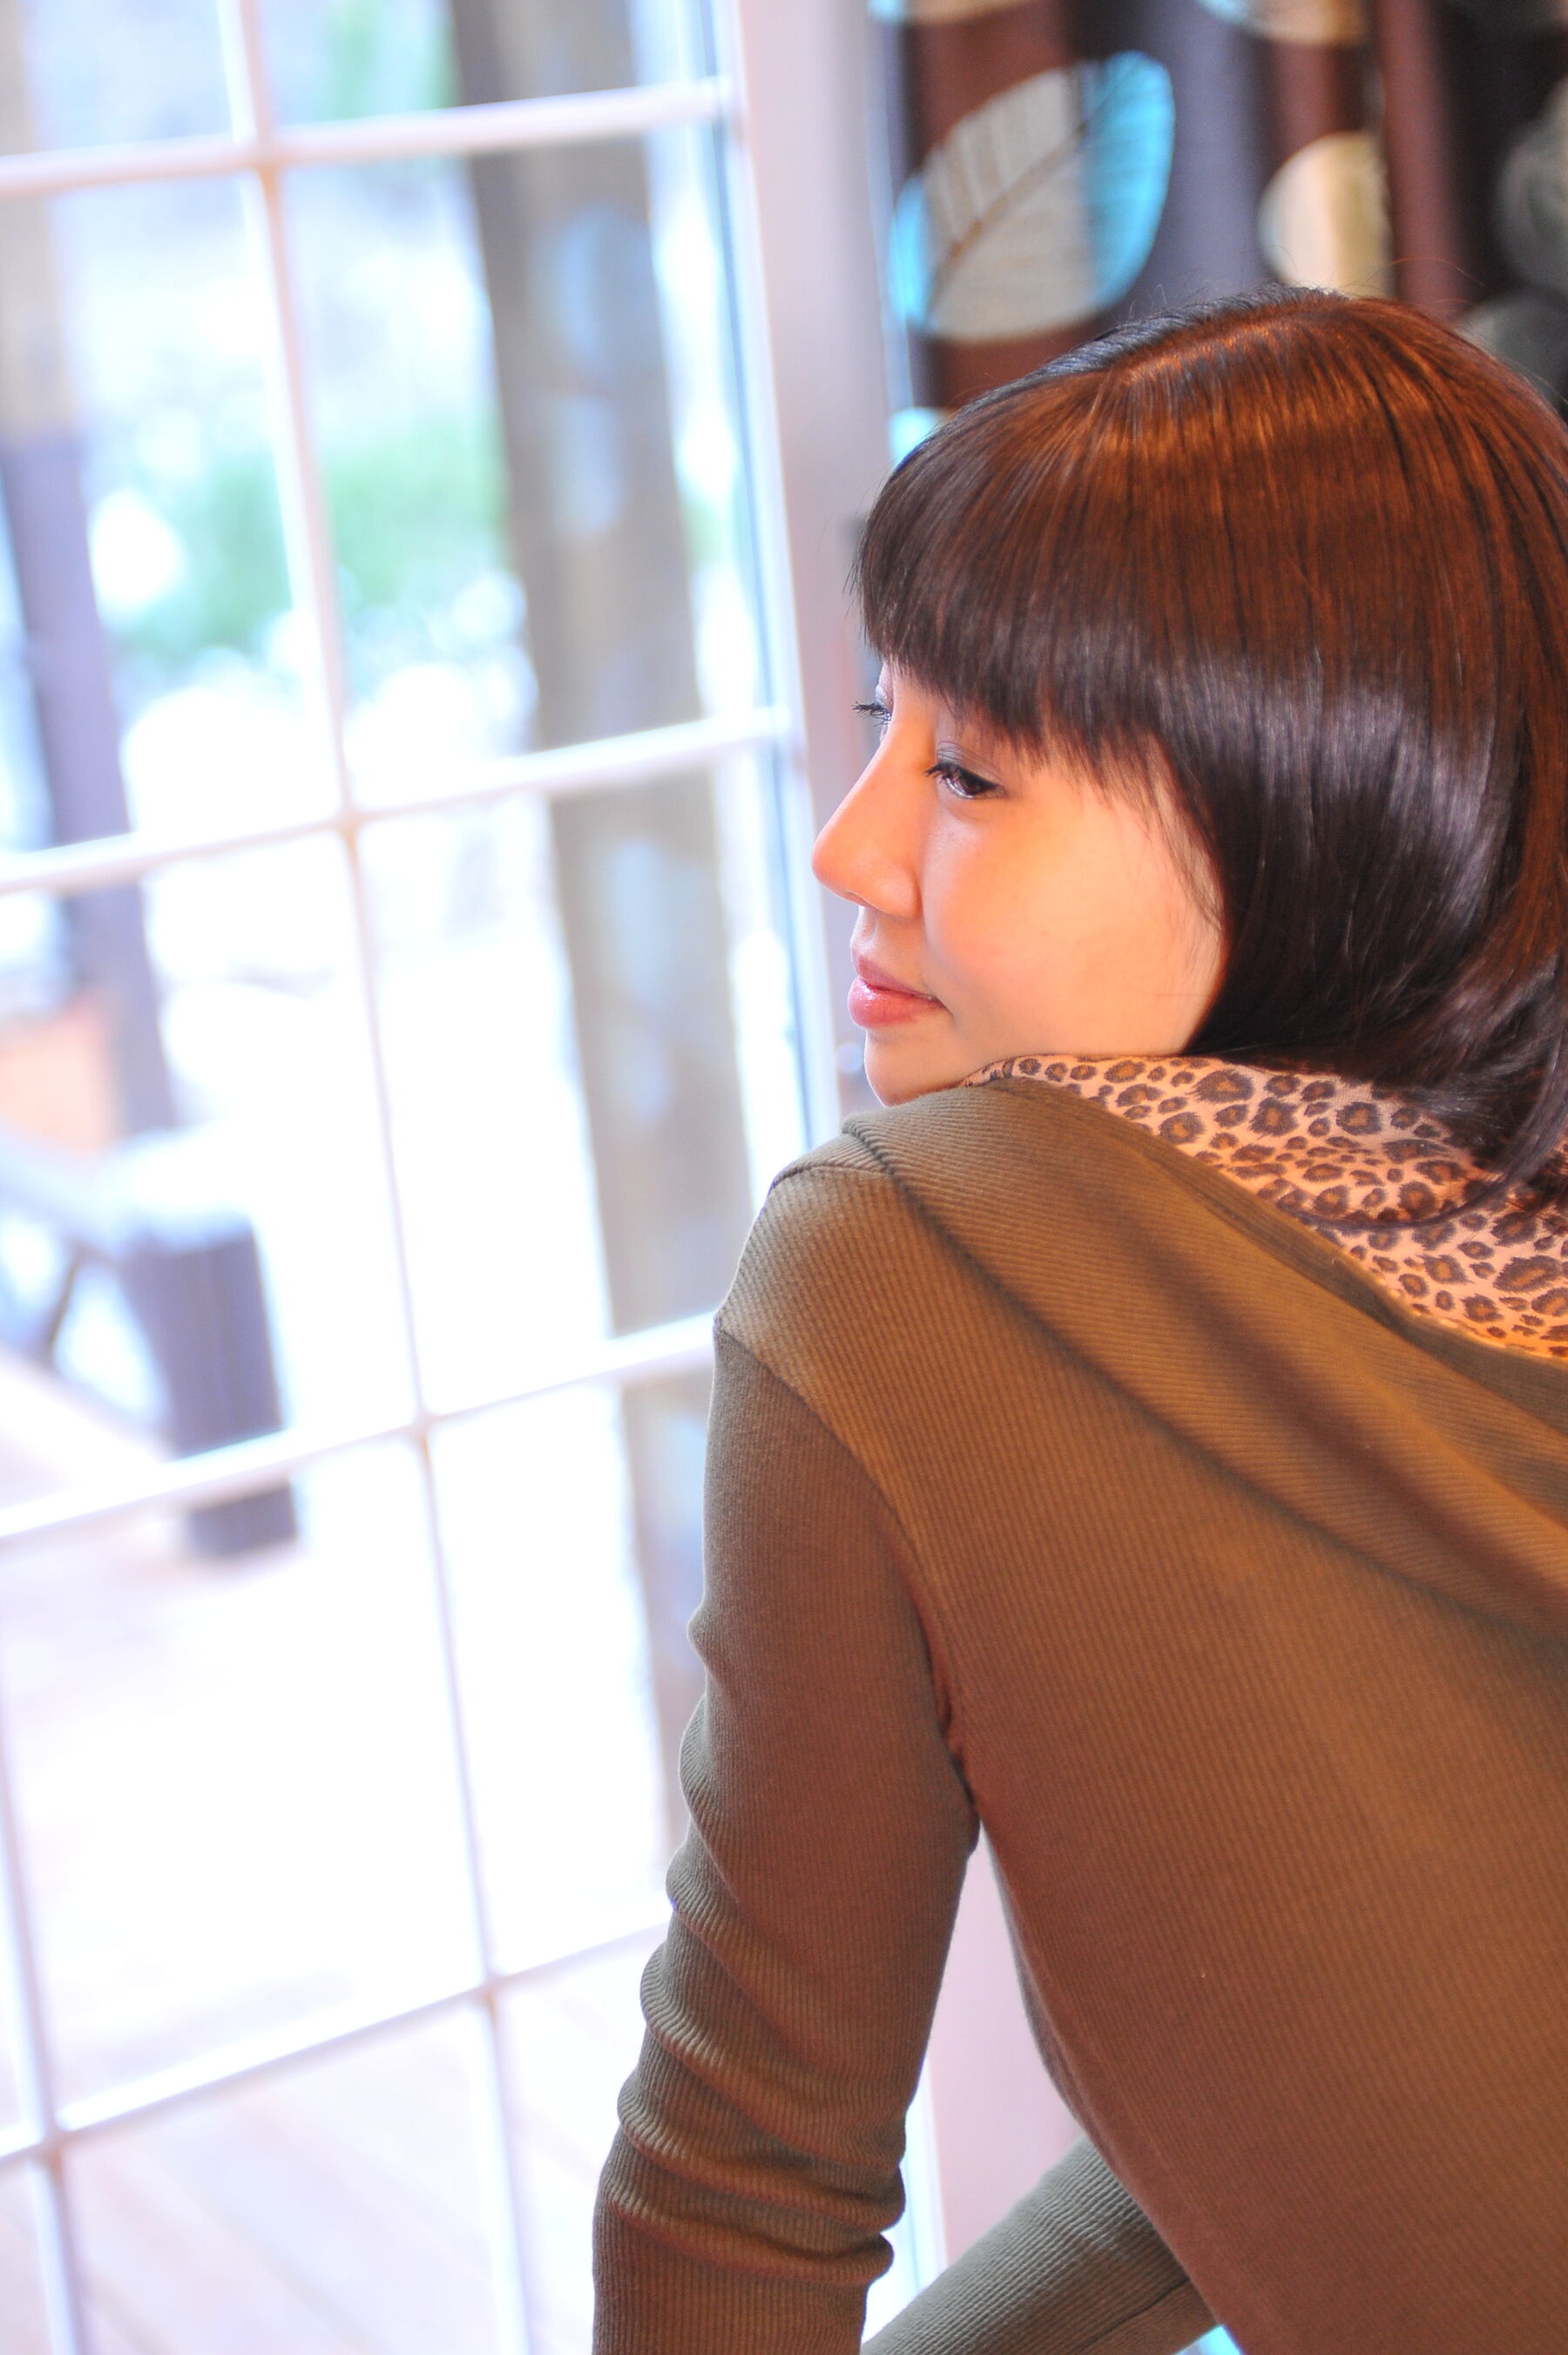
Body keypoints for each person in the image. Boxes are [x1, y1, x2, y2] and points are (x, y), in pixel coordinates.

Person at [591, 290, 1568, 2355]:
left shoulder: (915, 1263)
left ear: (1307, 807)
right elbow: (1324, 2060)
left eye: (970, 770)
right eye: (885, 727)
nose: (851, 844)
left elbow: (746, 2175)